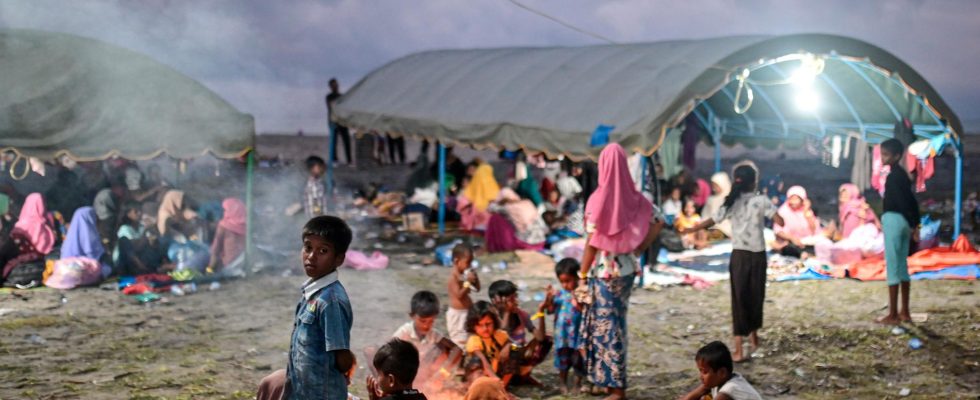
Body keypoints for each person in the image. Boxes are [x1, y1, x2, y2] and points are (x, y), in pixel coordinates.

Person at [579, 143, 664, 400]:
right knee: (616, 325)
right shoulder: (636, 197)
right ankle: (609, 383)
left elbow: (592, 243)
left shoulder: (598, 198)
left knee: (607, 328)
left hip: (604, 273)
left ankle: (616, 388)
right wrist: (637, 250)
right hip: (626, 270)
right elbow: (659, 221)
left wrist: (582, 275)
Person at [680, 161, 784, 363]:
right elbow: (780, 221)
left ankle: (739, 348)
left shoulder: (731, 203)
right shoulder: (760, 200)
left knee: (739, 299)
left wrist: (691, 230)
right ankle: (754, 339)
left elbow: (712, 220)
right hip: (758, 256)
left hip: (740, 256)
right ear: (754, 182)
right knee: (756, 296)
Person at [280, 215, 354, 399]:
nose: (311, 256)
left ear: (339, 259)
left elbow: (342, 358)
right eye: (308, 248)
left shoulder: (330, 301)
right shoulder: (310, 293)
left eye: (322, 251)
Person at [877, 139, 919, 325]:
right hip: (904, 222)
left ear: (896, 156)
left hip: (894, 220)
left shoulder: (893, 177)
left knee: (893, 265)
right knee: (902, 265)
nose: (883, 158)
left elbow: (902, 202)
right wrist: (914, 224)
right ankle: (905, 312)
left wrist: (911, 224)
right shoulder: (902, 175)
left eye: (886, 154)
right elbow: (912, 201)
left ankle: (893, 313)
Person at [392, 290, 461, 388]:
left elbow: (457, 350)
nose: (426, 325)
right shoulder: (404, 333)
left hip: (427, 377)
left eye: (431, 321)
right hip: (405, 377)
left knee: (442, 349)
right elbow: (388, 354)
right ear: (412, 316)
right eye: (422, 321)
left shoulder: (433, 334)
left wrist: (443, 372)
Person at [488, 280, 550, 385]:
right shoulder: (493, 317)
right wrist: (507, 312)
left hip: (518, 355)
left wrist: (541, 312)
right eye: (510, 299)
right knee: (513, 349)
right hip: (500, 360)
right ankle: (503, 384)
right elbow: (502, 334)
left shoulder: (521, 315)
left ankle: (523, 373)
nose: (515, 301)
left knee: (547, 340)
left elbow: (540, 338)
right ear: (497, 301)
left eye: (515, 297)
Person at [539, 258, 584, 394]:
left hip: (578, 336)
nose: (565, 285)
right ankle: (562, 383)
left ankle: (577, 384)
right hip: (562, 337)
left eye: (568, 281)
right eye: (562, 282)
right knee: (562, 362)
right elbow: (550, 310)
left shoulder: (582, 294)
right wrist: (548, 299)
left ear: (577, 277)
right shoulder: (559, 295)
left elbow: (586, 312)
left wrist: (578, 301)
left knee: (578, 361)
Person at [679, 341, 763, 400]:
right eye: (700, 371)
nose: (701, 376)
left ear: (722, 373)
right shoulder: (717, 380)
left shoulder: (730, 389)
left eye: (705, 372)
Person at [463, 300, 513, 386]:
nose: (485, 328)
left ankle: (504, 386)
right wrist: (494, 378)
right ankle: (476, 389)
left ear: (494, 322)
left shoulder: (499, 335)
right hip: (480, 376)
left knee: (513, 352)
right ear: (473, 326)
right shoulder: (474, 339)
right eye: (480, 325)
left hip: (496, 373)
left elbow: (512, 343)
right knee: (477, 361)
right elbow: (483, 361)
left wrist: (508, 346)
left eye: (488, 324)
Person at [484, 188, 547, 253]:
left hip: (527, 243)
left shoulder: (509, 207)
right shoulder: (528, 203)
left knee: (495, 218)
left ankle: (496, 247)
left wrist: (494, 203)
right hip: (541, 241)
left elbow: (490, 208)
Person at [772, 186, 821, 259]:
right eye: (791, 199)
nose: (793, 202)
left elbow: (814, 230)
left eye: (796, 199)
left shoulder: (807, 211)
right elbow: (778, 231)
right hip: (790, 242)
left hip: (806, 241)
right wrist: (792, 238)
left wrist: (806, 212)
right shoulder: (783, 211)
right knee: (788, 248)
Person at [447, 243, 480, 349]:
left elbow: (478, 289)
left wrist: (475, 278)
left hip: (468, 312)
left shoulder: (464, 275)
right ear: (457, 261)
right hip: (458, 316)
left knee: (470, 339)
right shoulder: (453, 278)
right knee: (459, 343)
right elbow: (459, 295)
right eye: (467, 263)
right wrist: (468, 282)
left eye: (471, 263)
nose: (469, 266)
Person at [208, 198, 246, 276]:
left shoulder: (224, 226)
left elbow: (216, 249)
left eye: (225, 210)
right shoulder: (247, 225)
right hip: (245, 264)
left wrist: (209, 269)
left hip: (229, 265)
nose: (224, 213)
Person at [457, 163, 500, 231]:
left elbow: (461, 206)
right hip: (490, 224)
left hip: (474, 224)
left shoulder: (470, 188)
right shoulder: (493, 186)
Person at [326, 78, 353, 166]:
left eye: (336, 85)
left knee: (346, 140)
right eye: (333, 85)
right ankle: (334, 159)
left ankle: (349, 160)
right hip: (333, 121)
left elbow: (344, 108)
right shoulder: (329, 97)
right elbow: (332, 107)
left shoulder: (341, 96)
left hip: (342, 121)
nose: (336, 86)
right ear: (330, 87)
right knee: (334, 141)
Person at [702, 172, 733, 238]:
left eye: (716, 186)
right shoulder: (711, 199)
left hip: (725, 230)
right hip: (710, 228)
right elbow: (705, 215)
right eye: (712, 186)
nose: (714, 188)